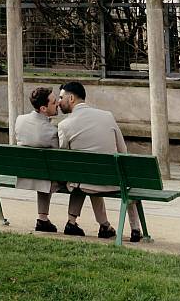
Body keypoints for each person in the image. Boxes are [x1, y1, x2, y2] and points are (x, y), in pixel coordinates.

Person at [57, 80, 143, 242]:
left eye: (61, 98)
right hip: (112, 180)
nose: (59, 102)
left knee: (82, 176)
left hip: (84, 182)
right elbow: (123, 151)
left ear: (71, 98)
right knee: (121, 180)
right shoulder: (107, 116)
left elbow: (64, 159)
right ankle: (134, 228)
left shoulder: (64, 125)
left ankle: (78, 222)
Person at [14, 85, 61, 232]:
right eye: (54, 102)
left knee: (43, 172)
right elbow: (60, 153)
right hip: (45, 175)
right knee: (77, 181)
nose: (58, 103)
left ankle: (43, 219)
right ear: (43, 109)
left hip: (25, 173)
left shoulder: (20, 120)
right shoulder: (51, 132)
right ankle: (71, 221)